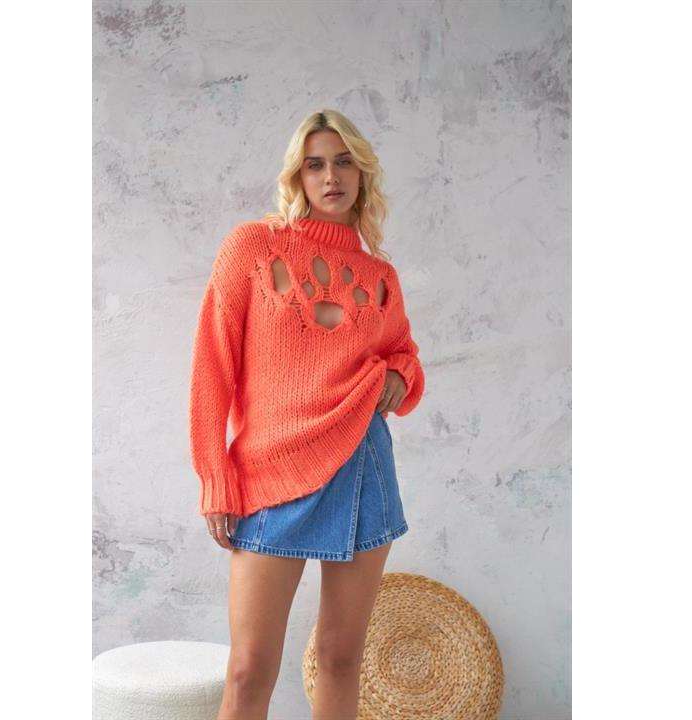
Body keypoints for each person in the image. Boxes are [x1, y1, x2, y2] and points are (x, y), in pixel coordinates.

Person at [189, 108, 425, 720]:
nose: (331, 177)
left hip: (361, 468)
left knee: (340, 660)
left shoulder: (379, 277)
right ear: (297, 176)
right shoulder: (253, 247)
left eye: (344, 162)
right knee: (248, 669)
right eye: (315, 164)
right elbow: (213, 364)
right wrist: (215, 477)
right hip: (271, 476)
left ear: (362, 173)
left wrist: (399, 375)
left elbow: (405, 354)